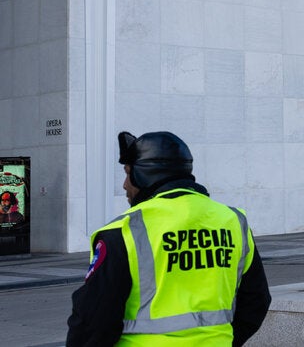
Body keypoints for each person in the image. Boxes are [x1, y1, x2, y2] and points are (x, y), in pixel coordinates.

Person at [67, 131, 271, 346]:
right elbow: (256, 301)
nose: (125, 185)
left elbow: (93, 322)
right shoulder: (233, 221)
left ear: (144, 174)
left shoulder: (124, 231)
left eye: (128, 174)